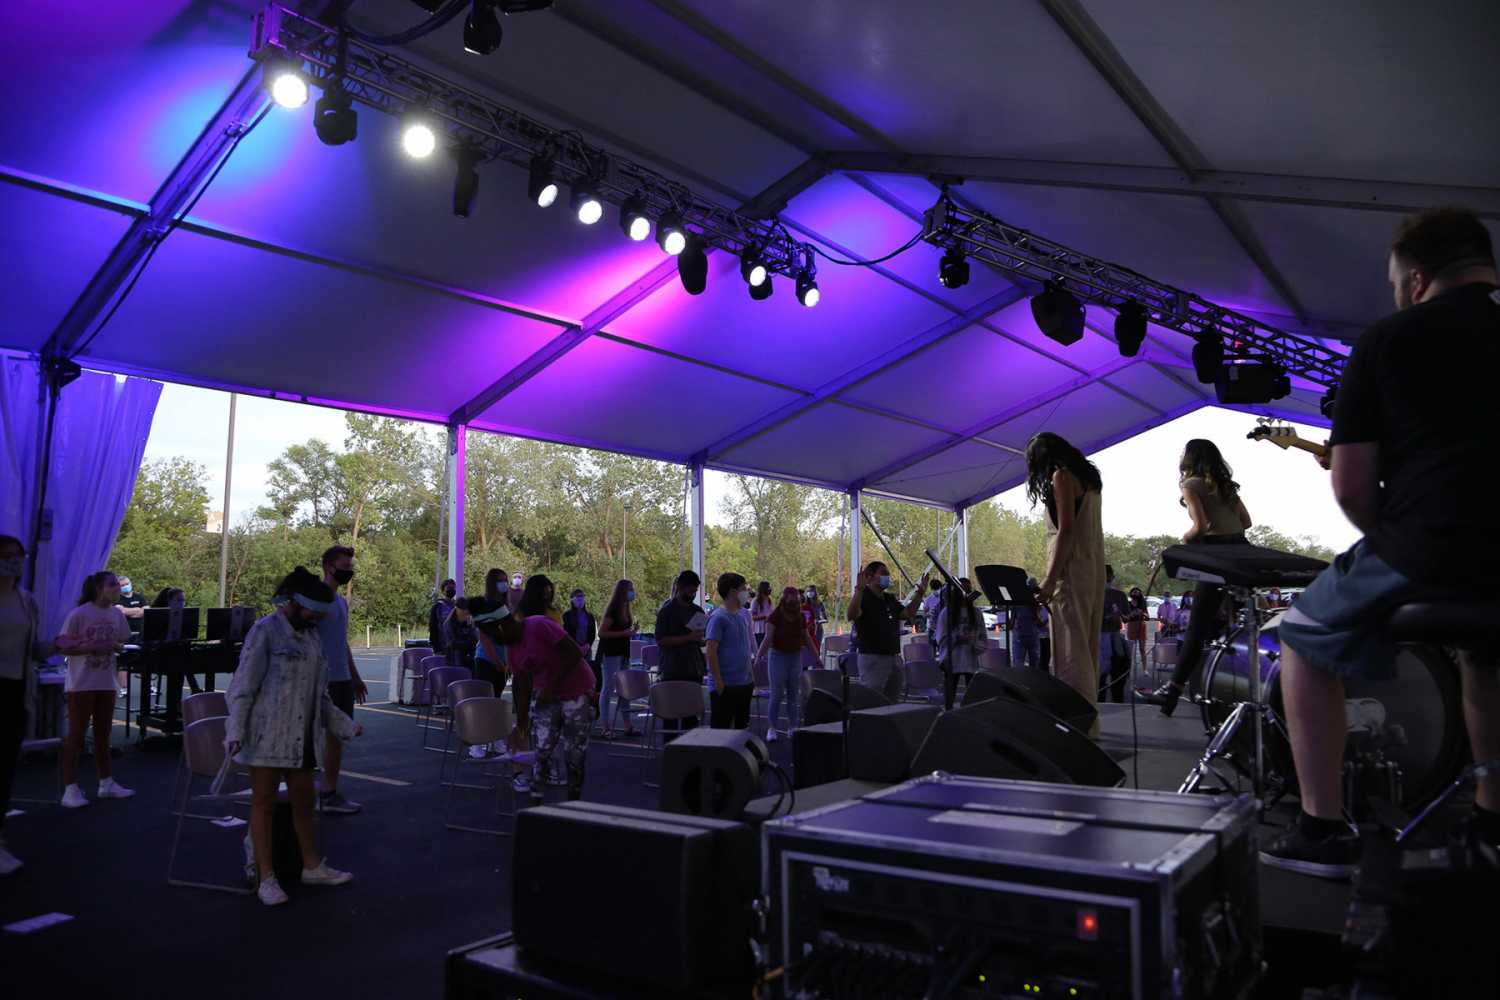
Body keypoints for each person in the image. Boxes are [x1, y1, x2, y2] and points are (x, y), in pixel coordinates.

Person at [1262, 207, 1500, 878]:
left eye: (1398, 283)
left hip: (1432, 542)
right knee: (1486, 654)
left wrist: (1397, 543)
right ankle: (1491, 820)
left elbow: (1351, 488)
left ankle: (1321, 826)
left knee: (1300, 637)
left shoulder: (1389, 340)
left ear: (1417, 278)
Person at [225, 567, 362, 906]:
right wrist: (235, 730)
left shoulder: (312, 637)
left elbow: (320, 696)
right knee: (264, 805)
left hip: (303, 739)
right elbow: (242, 687)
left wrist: (344, 725)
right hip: (266, 736)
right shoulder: (265, 632)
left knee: (304, 804)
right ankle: (265, 876)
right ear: (295, 603)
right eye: (313, 611)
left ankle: (312, 866)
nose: (316, 618)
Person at [1143, 439, 1253, 717]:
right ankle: (1247, 693)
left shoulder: (1190, 484)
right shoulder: (1225, 484)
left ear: (1190, 457)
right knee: (1242, 625)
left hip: (1216, 555)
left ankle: (1172, 692)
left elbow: (1201, 526)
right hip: (1242, 552)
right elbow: (1246, 521)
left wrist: (1185, 539)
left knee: (1198, 627)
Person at [1027, 432, 1106, 735]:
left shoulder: (1061, 476)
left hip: (1070, 574)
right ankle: (1089, 724)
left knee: (1070, 656)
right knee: (1087, 651)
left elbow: (1066, 532)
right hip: (1092, 571)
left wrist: (1048, 581)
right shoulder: (1090, 481)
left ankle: (1076, 729)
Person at [507, 575, 596, 807]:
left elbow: (574, 653)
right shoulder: (512, 647)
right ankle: (536, 804)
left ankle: (573, 803)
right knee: (543, 748)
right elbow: (522, 682)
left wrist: (550, 686)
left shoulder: (539, 624)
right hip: (547, 690)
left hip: (575, 686)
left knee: (574, 752)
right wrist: (522, 721)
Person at [54, 572, 135, 808]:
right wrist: (91, 647)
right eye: (112, 585)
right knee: (77, 735)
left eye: (118, 585)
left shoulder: (117, 614)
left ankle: (106, 782)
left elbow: (121, 643)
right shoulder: (79, 614)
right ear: (99, 588)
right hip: (82, 683)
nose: (118, 588)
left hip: (106, 681)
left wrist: (114, 646)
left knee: (103, 734)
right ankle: (70, 788)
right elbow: (63, 646)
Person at [0, 535, 50, 874]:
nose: (13, 562)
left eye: (18, 556)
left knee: (6, 768)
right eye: (5, 556)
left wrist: (59, 644)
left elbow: (34, 650)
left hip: (16, 690)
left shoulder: (26, 600)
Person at [316, 546, 368, 815]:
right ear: (328, 566)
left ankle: (328, 791)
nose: (348, 570)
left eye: (350, 566)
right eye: (344, 566)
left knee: (338, 737)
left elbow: (341, 642)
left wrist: (355, 676)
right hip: (321, 680)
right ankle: (318, 792)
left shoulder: (340, 602)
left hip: (342, 678)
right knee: (316, 737)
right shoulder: (318, 601)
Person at [847, 562, 929, 701]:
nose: (887, 576)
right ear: (869, 577)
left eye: (888, 574)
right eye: (883, 573)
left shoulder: (889, 599)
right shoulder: (864, 596)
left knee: (892, 700)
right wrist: (859, 590)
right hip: (873, 657)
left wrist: (919, 594)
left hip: (893, 657)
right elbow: (852, 615)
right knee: (872, 700)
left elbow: (907, 613)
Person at [758, 585, 819, 739]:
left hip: (795, 656)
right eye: (791, 603)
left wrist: (816, 657)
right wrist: (759, 656)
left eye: (796, 603)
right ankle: (772, 728)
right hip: (777, 656)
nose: (794, 606)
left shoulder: (799, 616)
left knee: (793, 694)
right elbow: (768, 637)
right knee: (777, 694)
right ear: (784, 602)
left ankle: (793, 726)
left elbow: (807, 637)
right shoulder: (775, 616)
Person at [654, 571, 707, 735]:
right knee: (670, 716)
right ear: (680, 588)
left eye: (695, 591)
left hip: (693, 668)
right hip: (672, 668)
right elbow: (661, 640)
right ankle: (670, 751)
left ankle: (689, 752)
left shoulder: (698, 611)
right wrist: (688, 637)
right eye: (690, 591)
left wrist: (701, 639)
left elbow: (698, 638)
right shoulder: (666, 611)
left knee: (690, 717)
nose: (693, 595)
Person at [706, 574, 755, 730]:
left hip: (744, 683)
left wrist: (750, 676)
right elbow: (711, 651)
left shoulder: (741, 617)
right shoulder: (718, 618)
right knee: (722, 732)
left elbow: (744, 648)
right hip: (726, 685)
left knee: (741, 730)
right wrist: (719, 682)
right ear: (733, 592)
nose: (746, 593)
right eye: (743, 589)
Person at [934, 580, 987, 707]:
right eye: (964, 591)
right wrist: (957, 638)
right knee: (950, 689)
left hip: (970, 656)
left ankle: (969, 712)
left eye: (969, 591)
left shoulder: (976, 612)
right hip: (952, 657)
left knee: (971, 691)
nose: (967, 595)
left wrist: (976, 642)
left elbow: (982, 633)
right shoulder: (946, 612)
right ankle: (948, 712)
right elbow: (940, 636)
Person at [596, 580, 637, 737]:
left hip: (623, 652)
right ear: (622, 592)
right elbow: (602, 632)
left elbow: (623, 630)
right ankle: (605, 726)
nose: (632, 592)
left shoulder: (626, 609)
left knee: (624, 689)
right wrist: (624, 633)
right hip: (611, 653)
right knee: (608, 688)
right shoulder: (613, 610)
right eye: (630, 589)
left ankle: (628, 725)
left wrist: (630, 631)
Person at [1098, 566, 1131, 704]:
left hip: (1115, 638)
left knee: (1119, 674)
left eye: (1107, 575)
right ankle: (1099, 703)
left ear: (1112, 576)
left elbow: (1126, 617)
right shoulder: (1091, 594)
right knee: (1099, 677)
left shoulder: (1120, 595)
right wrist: (1106, 618)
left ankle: (1117, 703)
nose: (1106, 578)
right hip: (1098, 638)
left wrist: (1120, 616)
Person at [115, 574, 146, 697]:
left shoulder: (140, 596)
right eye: (122, 585)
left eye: (126, 584)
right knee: (124, 660)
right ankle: (123, 688)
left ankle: (148, 686)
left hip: (141, 633)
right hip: (125, 634)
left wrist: (128, 611)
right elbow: (120, 611)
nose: (125, 587)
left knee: (145, 658)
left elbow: (146, 611)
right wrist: (138, 610)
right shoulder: (117, 599)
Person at [1010, 578, 1046, 670]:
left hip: (1024, 637)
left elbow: (1011, 624)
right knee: (1030, 665)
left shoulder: (1020, 603)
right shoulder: (1032, 604)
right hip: (1026, 637)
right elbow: (1039, 623)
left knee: (1022, 665)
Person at [562, 589, 596, 659]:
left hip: (586, 650)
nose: (580, 599)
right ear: (572, 599)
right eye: (578, 596)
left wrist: (587, 646)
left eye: (582, 596)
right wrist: (575, 647)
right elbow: (565, 633)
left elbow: (592, 633)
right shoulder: (566, 615)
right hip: (572, 650)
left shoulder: (589, 616)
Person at [443, 598, 477, 669]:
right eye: (465, 613)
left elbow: (474, 636)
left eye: (468, 613)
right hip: (455, 659)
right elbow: (452, 644)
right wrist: (469, 642)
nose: (467, 615)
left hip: (470, 656)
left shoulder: (469, 620)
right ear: (457, 609)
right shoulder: (449, 624)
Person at [428, 578, 457, 657]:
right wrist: (435, 647)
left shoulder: (458, 605)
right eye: (449, 588)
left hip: (457, 647)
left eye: (453, 588)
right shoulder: (437, 606)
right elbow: (432, 627)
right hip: (441, 646)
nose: (451, 590)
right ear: (443, 590)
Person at [1125, 587, 1149, 676]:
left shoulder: (1143, 603)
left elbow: (1148, 617)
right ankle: (1128, 670)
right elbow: (1125, 617)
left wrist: (1142, 613)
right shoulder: (1128, 604)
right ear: (1131, 594)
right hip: (1132, 625)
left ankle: (1145, 669)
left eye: (1138, 592)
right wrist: (1132, 614)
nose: (1136, 594)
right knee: (1131, 649)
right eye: (1134, 592)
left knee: (1142, 648)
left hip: (1142, 625)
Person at [749, 582, 773, 651]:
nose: (770, 589)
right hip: (759, 630)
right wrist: (765, 617)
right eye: (769, 588)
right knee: (760, 650)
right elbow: (752, 617)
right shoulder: (755, 601)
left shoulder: (769, 600)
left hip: (768, 629)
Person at [922, 578, 943, 642]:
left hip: (943, 628)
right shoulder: (928, 599)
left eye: (938, 588)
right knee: (931, 648)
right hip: (932, 628)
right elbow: (924, 614)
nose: (936, 590)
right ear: (931, 589)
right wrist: (929, 614)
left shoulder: (944, 597)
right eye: (934, 589)